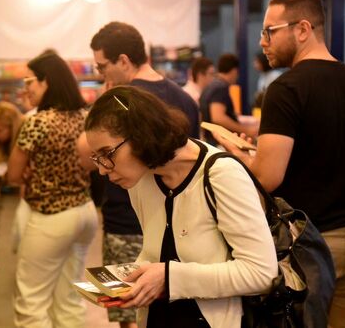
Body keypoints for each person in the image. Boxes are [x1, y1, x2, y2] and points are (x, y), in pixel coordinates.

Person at [214, 0, 345, 327]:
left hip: (311, 246)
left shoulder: (285, 89)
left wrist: (236, 155)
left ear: (303, 28)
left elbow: (267, 178)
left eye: (269, 31)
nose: (263, 42)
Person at [84, 86, 277, 328]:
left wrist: (169, 278)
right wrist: (136, 280)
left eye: (107, 153)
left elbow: (261, 273)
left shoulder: (220, 175)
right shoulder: (143, 178)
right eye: (97, 157)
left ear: (141, 136)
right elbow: (156, 251)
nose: (102, 169)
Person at [87, 21, 200, 328]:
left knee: (130, 310)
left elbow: (84, 154)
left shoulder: (122, 102)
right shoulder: (185, 98)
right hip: (179, 225)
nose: (101, 75)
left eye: (102, 67)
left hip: (126, 219)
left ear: (123, 60)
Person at [7, 51, 98, 328]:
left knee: (31, 303)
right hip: (85, 212)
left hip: (50, 217)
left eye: (29, 81)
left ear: (46, 81)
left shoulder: (37, 122)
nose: (26, 90)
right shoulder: (86, 116)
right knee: (69, 298)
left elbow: (12, 175)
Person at [200, 53, 258, 145]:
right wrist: (246, 130)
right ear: (234, 71)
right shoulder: (221, 87)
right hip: (218, 143)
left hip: (211, 141)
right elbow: (218, 117)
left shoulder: (212, 85)